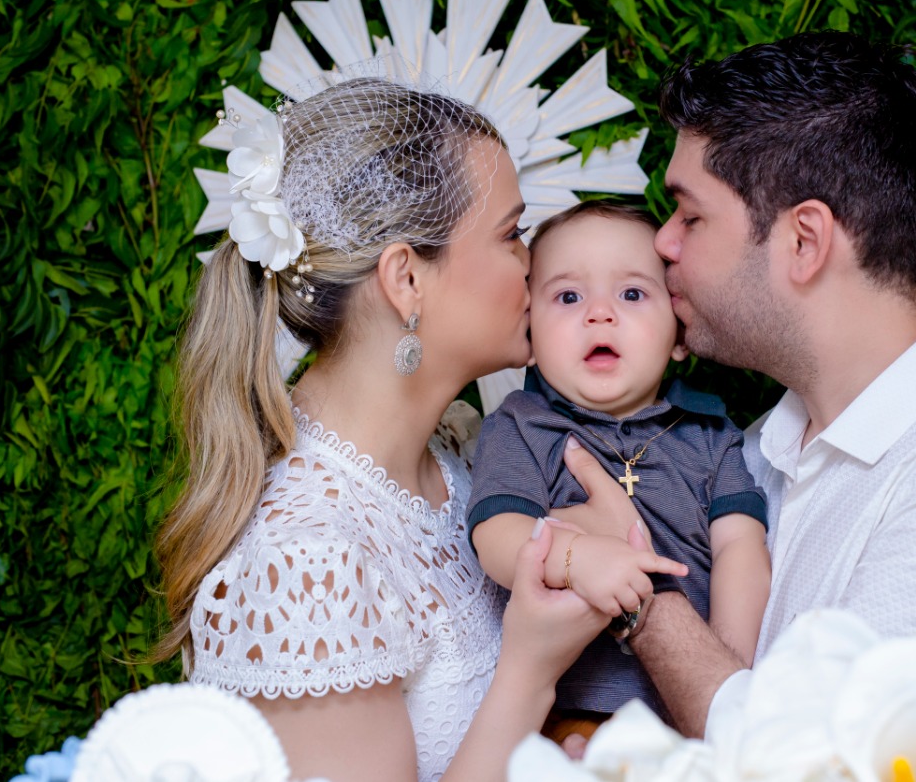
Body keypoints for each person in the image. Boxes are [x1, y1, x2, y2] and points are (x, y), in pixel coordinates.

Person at [558, 30, 916, 738]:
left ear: (804, 241)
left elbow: (828, 757)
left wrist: (639, 593)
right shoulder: (752, 450)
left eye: (691, 215)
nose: (663, 242)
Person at [152, 78, 666, 782]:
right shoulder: (305, 559)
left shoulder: (457, 448)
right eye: (511, 234)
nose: (535, 263)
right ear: (406, 280)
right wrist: (532, 668)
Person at [466, 201, 771, 737]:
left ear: (679, 335)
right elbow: (497, 532)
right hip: (571, 713)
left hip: (687, 711)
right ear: (530, 334)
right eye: (568, 296)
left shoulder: (710, 432)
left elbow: (739, 547)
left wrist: (725, 669)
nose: (600, 313)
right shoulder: (522, 426)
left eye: (632, 294)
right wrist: (575, 557)